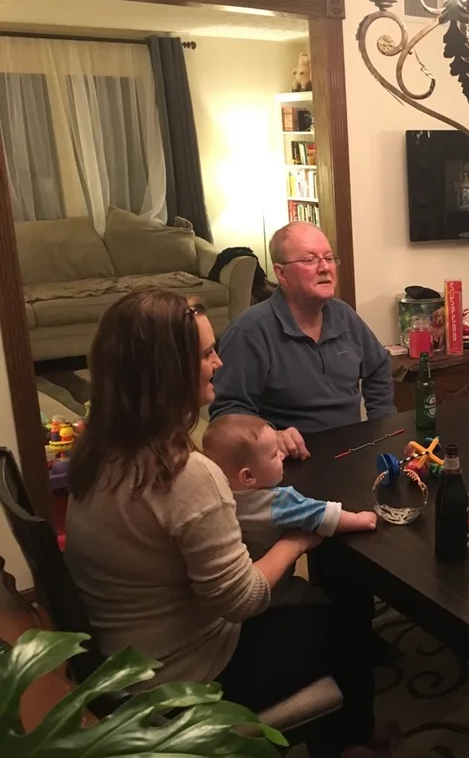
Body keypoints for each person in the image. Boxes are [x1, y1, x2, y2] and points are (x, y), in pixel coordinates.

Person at [64, 290, 383, 758]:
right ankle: (354, 742)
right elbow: (244, 599)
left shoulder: (98, 454)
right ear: (168, 372)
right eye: (207, 354)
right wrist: (296, 540)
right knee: (347, 622)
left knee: (312, 604)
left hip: (126, 658)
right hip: (183, 680)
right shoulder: (184, 474)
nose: (218, 363)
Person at [211, 221, 395, 460]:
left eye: (328, 258)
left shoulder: (344, 315)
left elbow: (379, 366)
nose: (325, 268)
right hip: (290, 463)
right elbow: (227, 414)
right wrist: (271, 435)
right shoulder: (249, 332)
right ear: (281, 273)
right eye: (310, 260)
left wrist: (382, 424)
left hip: (352, 452)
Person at [202, 413, 378, 607]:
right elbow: (321, 514)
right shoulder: (278, 501)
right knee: (319, 600)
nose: (282, 455)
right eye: (273, 454)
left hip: (238, 588)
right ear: (248, 476)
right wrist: (359, 519)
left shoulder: (216, 495)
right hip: (271, 593)